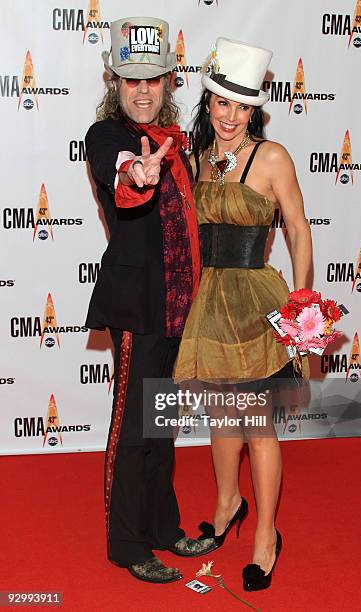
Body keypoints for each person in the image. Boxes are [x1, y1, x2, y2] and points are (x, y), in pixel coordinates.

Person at [173, 37, 313, 590]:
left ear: (255, 108)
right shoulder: (196, 158)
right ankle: (229, 502)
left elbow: (298, 229)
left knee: (257, 426)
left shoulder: (271, 156)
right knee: (221, 419)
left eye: (242, 106)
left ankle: (266, 536)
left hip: (254, 301)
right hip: (208, 301)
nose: (230, 117)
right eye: (221, 103)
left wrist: (302, 301)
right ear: (208, 104)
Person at [84, 17, 215, 584]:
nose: (142, 91)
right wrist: (141, 171)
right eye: (131, 80)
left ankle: (164, 528)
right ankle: (127, 542)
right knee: (134, 429)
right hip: (138, 307)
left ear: (168, 82)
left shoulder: (179, 142)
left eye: (154, 80)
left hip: (179, 309)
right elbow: (126, 177)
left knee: (162, 426)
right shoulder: (107, 137)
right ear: (114, 81)